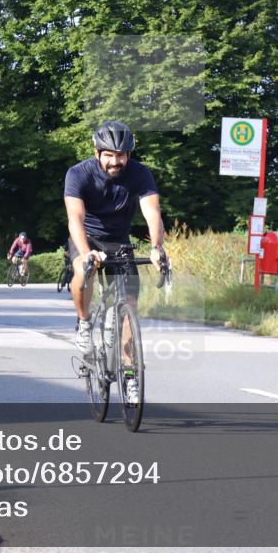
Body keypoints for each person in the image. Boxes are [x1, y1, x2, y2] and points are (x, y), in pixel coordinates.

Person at [64, 120, 168, 404]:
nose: (115, 161)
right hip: (87, 237)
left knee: (129, 307)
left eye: (121, 155)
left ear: (129, 155)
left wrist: (157, 247)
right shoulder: (78, 174)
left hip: (119, 241)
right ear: (97, 152)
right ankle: (84, 323)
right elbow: (75, 219)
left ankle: (130, 374)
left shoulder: (140, 174)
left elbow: (152, 212)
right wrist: (86, 253)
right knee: (81, 272)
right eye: (109, 154)